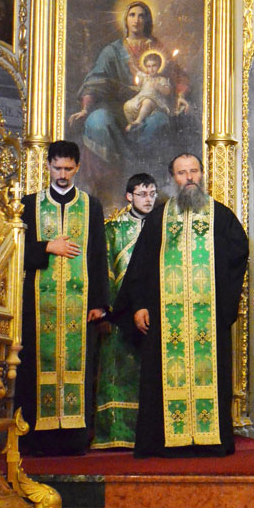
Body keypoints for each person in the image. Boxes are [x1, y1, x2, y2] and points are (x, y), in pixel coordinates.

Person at [125, 153, 248, 456]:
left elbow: (238, 260)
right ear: (173, 178)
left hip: (209, 318)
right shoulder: (159, 219)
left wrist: (223, 308)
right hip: (166, 320)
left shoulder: (222, 216)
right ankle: (164, 442)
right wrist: (140, 305)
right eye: (182, 173)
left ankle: (210, 441)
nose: (189, 177)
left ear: (202, 174)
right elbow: (139, 265)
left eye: (194, 171)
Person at [15, 141, 109, 456]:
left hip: (79, 307)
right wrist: (46, 248)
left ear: (77, 167)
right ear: (48, 166)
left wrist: (98, 302)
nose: (63, 174)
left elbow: (98, 254)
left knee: (77, 366)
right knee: (36, 366)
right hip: (37, 309)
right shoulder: (29, 204)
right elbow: (14, 252)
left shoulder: (91, 205)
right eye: (57, 167)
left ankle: (73, 439)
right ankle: (34, 439)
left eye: (69, 168)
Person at [68, 0, 191, 205]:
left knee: (159, 122)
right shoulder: (112, 51)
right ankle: (108, 190)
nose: (137, 20)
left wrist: (181, 97)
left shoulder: (157, 48)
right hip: (118, 108)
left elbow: (176, 76)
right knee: (97, 121)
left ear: (147, 20)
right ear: (125, 20)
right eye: (132, 15)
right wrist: (85, 109)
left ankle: (148, 185)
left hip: (151, 105)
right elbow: (95, 80)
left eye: (142, 15)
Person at [93, 172, 158, 449]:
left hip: (152, 309)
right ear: (129, 196)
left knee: (148, 372)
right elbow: (105, 269)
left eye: (152, 193)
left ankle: (148, 433)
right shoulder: (114, 228)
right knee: (117, 370)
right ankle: (115, 434)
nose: (148, 199)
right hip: (120, 311)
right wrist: (105, 311)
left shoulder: (160, 226)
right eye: (142, 194)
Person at [124, 50, 176, 131]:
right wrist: (130, 62)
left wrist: (159, 86)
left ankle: (138, 121)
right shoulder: (145, 77)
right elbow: (135, 71)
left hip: (155, 100)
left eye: (154, 66)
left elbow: (167, 91)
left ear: (158, 66)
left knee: (147, 101)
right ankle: (133, 125)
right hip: (140, 99)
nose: (151, 69)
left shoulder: (161, 79)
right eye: (148, 66)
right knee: (127, 105)